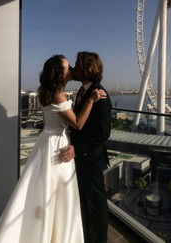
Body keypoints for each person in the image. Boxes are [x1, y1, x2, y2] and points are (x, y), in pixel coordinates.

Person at [0, 55, 106, 243]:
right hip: (57, 144)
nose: (72, 69)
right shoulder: (58, 95)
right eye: (68, 67)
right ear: (59, 74)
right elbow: (77, 123)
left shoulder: (47, 91)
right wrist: (91, 100)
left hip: (47, 141)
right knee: (57, 192)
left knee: (44, 189)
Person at [59, 51, 111, 243]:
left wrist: (78, 149)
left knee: (95, 208)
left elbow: (104, 133)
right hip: (81, 161)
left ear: (87, 69)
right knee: (84, 205)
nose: (74, 68)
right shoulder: (84, 91)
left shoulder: (101, 95)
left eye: (78, 66)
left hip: (91, 161)